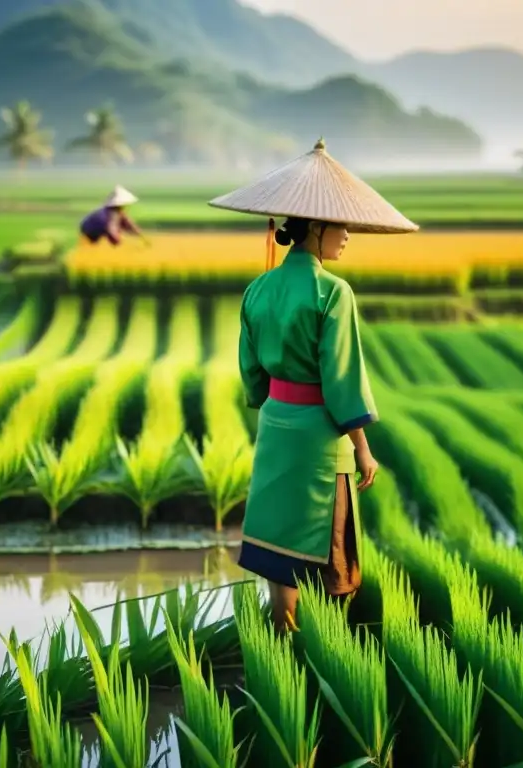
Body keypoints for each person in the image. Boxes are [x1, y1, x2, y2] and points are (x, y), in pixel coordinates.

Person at [208, 138, 418, 633]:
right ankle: (327, 644)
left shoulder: (258, 288)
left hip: (278, 426)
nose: (347, 235)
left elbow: (252, 373)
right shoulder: (333, 292)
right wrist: (363, 448)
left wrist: (271, 399)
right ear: (318, 227)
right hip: (322, 435)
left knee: (281, 539)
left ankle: (284, 633)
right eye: (341, 227)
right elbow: (342, 379)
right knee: (331, 540)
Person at [79, 185, 148, 246]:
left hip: (95, 230)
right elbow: (111, 231)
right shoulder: (107, 214)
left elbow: (129, 225)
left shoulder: (118, 212)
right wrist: (120, 244)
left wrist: (142, 237)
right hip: (90, 232)